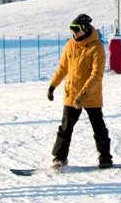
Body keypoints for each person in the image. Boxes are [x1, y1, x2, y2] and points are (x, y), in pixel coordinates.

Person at [47, 13, 112, 169]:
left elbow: (96, 75)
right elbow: (62, 68)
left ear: (85, 28)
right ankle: (59, 158)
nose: (73, 33)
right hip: (71, 94)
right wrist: (52, 85)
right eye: (71, 29)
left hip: (91, 96)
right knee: (65, 127)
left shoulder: (96, 48)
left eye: (76, 29)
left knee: (98, 127)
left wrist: (82, 95)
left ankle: (105, 157)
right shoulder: (70, 45)